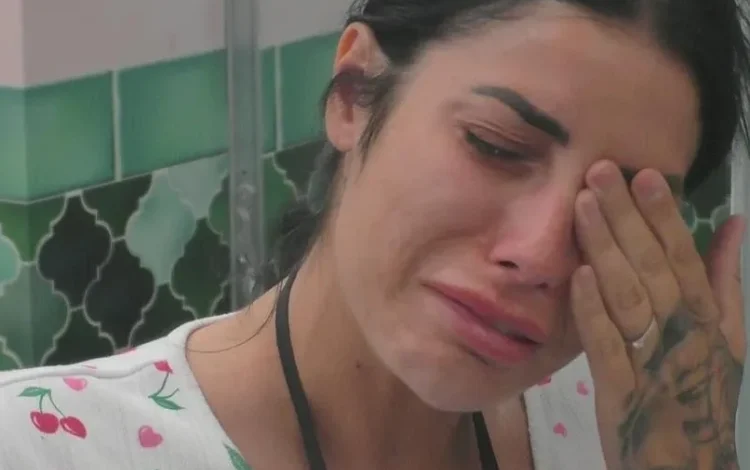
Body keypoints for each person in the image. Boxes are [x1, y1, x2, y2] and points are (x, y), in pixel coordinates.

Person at [1, 0, 750, 468]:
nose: (540, 255)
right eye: (495, 146)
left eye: (615, 209)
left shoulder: (629, 421)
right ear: (355, 93)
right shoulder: (42, 447)